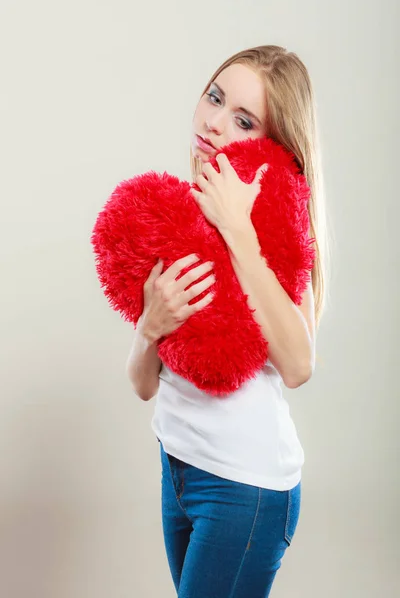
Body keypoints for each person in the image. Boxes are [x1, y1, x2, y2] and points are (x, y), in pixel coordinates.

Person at [126, 45, 328, 598]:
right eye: (214, 97)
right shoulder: (176, 213)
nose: (214, 123)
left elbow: (298, 365)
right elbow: (144, 385)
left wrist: (239, 232)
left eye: (243, 120)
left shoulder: (279, 234)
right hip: (177, 469)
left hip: (246, 487)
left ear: (275, 146)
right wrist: (150, 324)